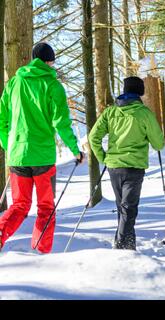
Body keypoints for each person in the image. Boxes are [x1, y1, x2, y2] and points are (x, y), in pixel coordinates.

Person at [0, 43, 84, 253]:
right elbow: (61, 122)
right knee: (46, 208)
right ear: (49, 61)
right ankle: (40, 251)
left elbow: (2, 119)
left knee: (19, 206)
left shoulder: (14, 83)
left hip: (18, 155)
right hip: (43, 158)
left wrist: (8, 144)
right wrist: (75, 149)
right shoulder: (53, 86)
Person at [89, 77, 165, 250]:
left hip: (114, 167)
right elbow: (159, 144)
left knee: (123, 208)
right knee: (129, 209)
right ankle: (122, 246)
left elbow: (93, 137)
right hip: (134, 167)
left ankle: (128, 246)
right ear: (140, 92)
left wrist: (104, 158)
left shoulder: (110, 112)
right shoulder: (144, 113)